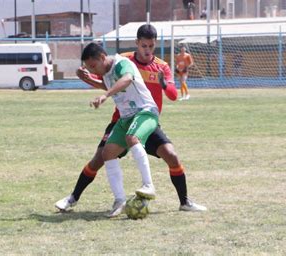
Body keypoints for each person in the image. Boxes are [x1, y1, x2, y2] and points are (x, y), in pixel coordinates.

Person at [55, 24, 206, 217]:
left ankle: (183, 201)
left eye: (151, 46)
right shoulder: (123, 59)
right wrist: (88, 79)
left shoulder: (160, 66)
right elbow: (106, 82)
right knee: (101, 157)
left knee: (171, 155)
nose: (147, 50)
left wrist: (163, 84)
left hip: (145, 117)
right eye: (144, 46)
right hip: (122, 118)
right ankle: (75, 198)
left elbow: (172, 95)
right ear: (137, 43)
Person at [82, 42, 159, 217]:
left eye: (93, 66)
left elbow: (127, 79)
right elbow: (108, 85)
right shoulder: (106, 73)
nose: (93, 71)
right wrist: (87, 79)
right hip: (126, 117)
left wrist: (105, 96)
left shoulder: (120, 63)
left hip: (145, 111)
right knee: (107, 153)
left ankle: (149, 185)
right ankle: (119, 200)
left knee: (132, 138)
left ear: (102, 57)